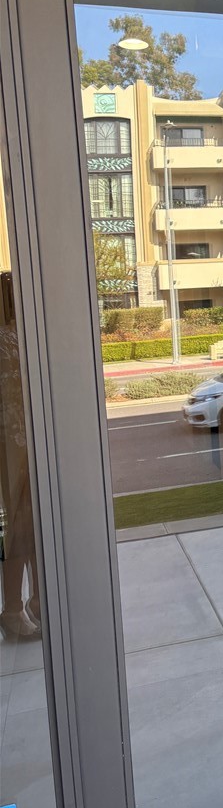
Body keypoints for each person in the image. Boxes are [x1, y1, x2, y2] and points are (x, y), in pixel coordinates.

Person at [0, 271, 40, 639]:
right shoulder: (9, 340)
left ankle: (34, 602)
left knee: (31, 525)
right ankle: (14, 608)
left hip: (24, 444)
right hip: (15, 447)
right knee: (21, 529)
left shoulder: (17, 337)